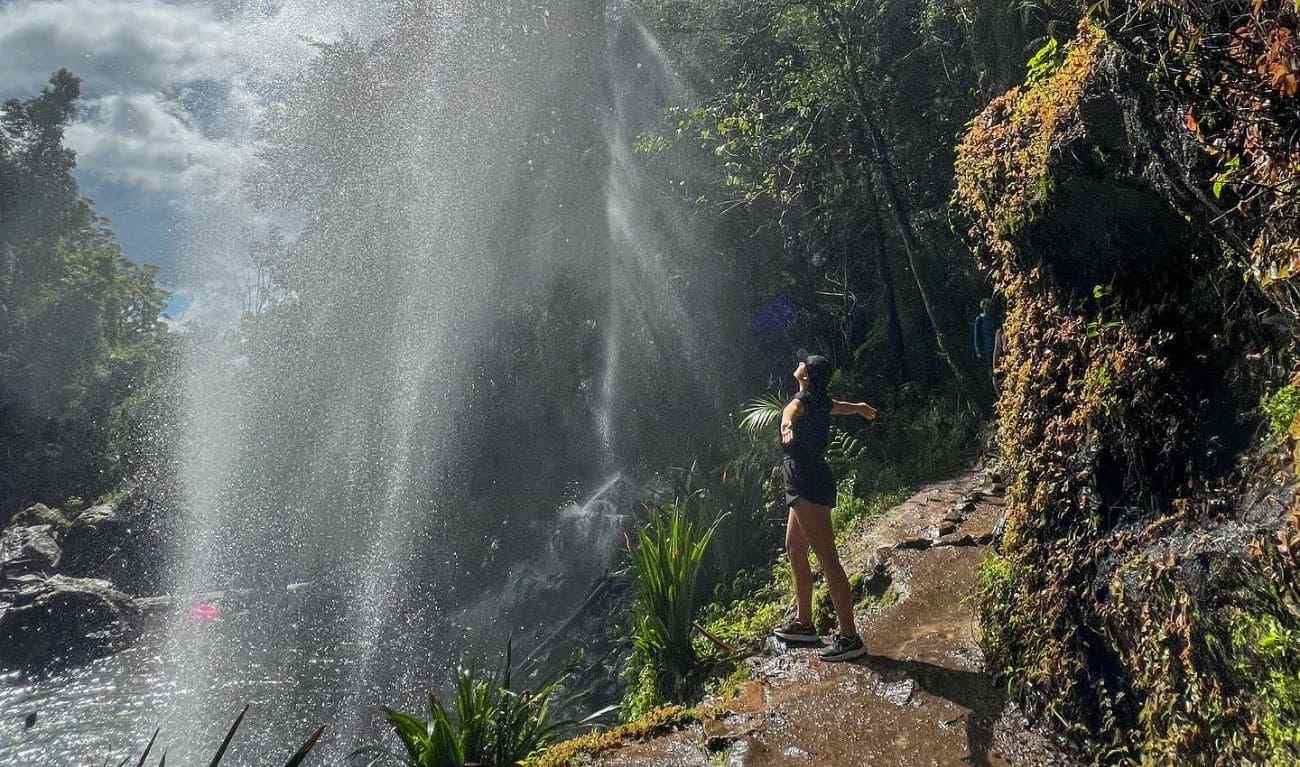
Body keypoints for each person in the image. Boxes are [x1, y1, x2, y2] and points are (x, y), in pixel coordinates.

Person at [771, 350, 879, 661]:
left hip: (806, 479)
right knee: (794, 547)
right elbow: (840, 407)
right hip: (804, 478)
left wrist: (787, 425)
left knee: (827, 557)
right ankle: (805, 624)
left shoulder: (803, 401)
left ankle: (849, 637)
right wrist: (859, 408)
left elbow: (789, 411)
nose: (798, 363)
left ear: (806, 374)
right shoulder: (818, 398)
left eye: (802, 363)